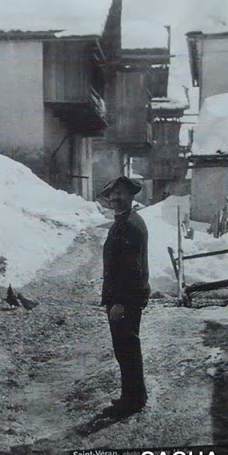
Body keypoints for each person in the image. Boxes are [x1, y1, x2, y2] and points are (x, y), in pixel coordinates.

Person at [98, 176, 150, 416]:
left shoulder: (130, 225)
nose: (116, 198)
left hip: (125, 300)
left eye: (121, 194)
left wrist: (119, 301)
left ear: (131, 197)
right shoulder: (121, 222)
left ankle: (134, 400)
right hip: (121, 299)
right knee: (125, 349)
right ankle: (132, 396)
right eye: (113, 194)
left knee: (127, 348)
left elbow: (132, 269)